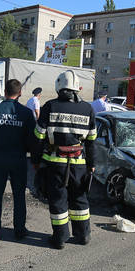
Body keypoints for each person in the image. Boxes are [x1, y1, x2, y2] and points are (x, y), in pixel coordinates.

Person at [31, 70, 96, 249]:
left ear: (59, 87)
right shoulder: (88, 109)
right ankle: (83, 235)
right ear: (77, 88)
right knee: (80, 200)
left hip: (55, 164)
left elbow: (38, 136)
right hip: (80, 165)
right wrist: (92, 165)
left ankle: (60, 238)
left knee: (58, 200)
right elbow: (91, 142)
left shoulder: (49, 106)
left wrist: (35, 160)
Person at [0, 79, 35, 241]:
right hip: (18, 160)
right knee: (19, 195)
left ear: (5, 92)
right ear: (20, 93)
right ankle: (19, 230)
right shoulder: (26, 113)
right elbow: (33, 139)